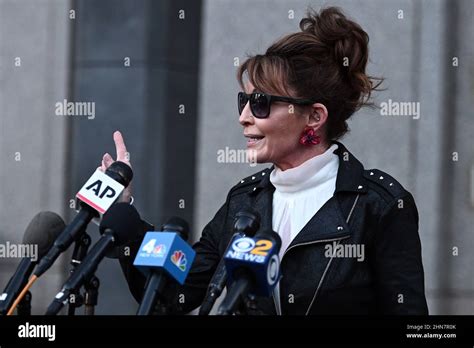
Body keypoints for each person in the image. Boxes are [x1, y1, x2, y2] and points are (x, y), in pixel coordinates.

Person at [100, 7, 428, 315]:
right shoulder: (243, 202)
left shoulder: (379, 205)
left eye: (260, 103)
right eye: (243, 101)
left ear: (314, 116)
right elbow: (173, 293)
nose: (244, 117)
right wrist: (126, 216)